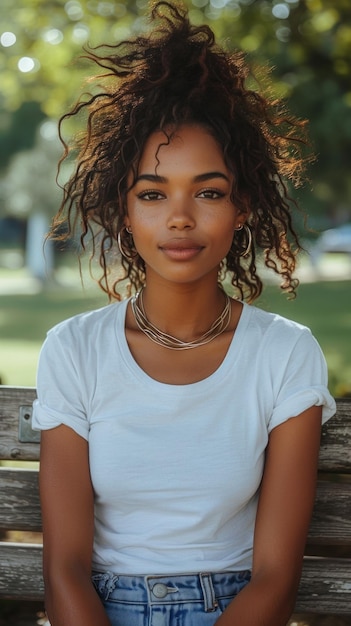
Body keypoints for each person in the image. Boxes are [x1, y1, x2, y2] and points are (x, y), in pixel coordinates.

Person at [32, 2, 336, 625]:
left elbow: (276, 578)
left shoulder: (285, 354)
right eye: (152, 193)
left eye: (208, 191)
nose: (179, 217)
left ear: (243, 206)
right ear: (124, 210)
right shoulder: (74, 350)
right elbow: (64, 567)